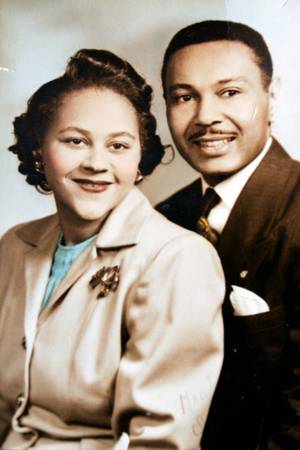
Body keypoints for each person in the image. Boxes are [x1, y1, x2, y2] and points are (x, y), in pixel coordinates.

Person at [0, 48, 224, 450]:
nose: (97, 162)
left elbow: (159, 442)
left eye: (119, 146)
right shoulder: (15, 245)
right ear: (38, 151)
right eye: (75, 141)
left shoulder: (176, 258)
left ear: (140, 160)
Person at [157, 20, 300, 450]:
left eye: (230, 93)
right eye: (184, 97)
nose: (205, 117)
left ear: (271, 98)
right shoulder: (164, 217)